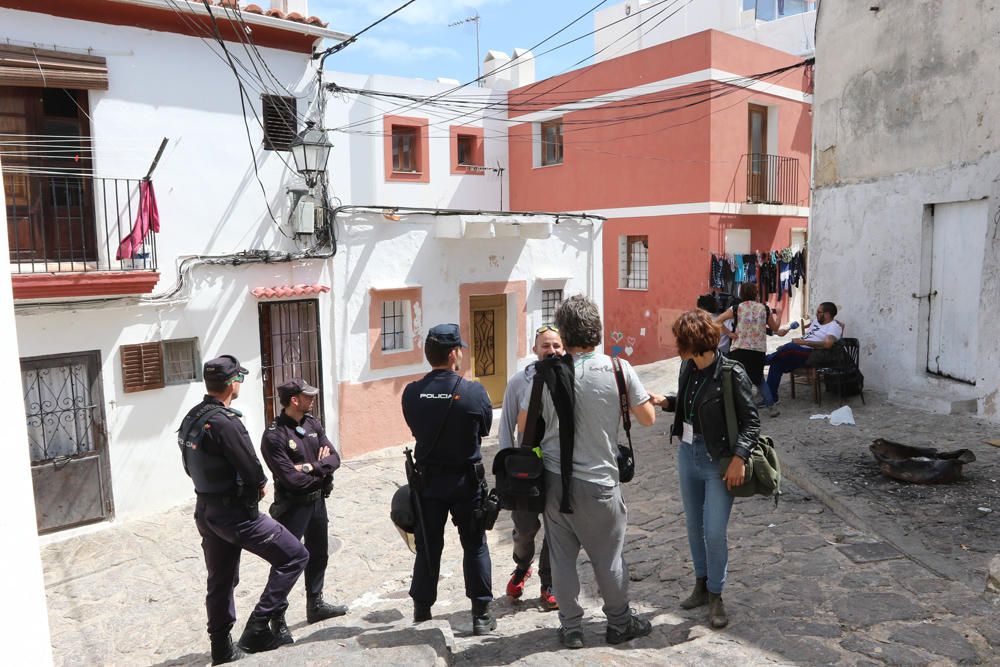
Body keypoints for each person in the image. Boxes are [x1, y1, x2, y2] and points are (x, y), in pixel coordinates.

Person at [518, 295, 662, 649]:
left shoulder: (544, 375)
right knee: (608, 557)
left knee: (562, 557)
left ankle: (571, 628)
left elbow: (525, 427)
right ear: (596, 330)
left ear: (564, 334)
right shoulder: (617, 369)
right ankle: (618, 622)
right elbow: (647, 418)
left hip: (554, 481)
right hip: (600, 481)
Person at [177, 355, 309, 665]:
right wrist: (258, 486)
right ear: (232, 383)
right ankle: (258, 627)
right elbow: (252, 469)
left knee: (220, 579)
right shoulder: (225, 422)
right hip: (234, 514)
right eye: (240, 379)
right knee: (295, 556)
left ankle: (221, 647)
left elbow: (187, 465)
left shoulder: (192, 416)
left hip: (206, 510)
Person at [667, 310, 760, 629]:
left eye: (680, 341)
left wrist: (739, 458)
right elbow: (686, 404)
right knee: (694, 526)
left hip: (718, 459)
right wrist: (665, 402)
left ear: (694, 343)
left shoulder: (732, 372)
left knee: (714, 531)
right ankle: (702, 585)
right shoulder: (687, 368)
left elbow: (752, 421)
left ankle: (717, 595)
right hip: (687, 454)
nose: (677, 346)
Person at [401, 323, 496, 635]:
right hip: (465, 482)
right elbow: (483, 429)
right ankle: (481, 614)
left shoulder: (412, 393)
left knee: (428, 547)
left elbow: (416, 428)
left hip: (428, 483)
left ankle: (422, 609)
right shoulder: (474, 392)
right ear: (454, 353)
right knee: (475, 544)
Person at [259, 379, 348, 643]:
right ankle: (278, 619)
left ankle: (315, 603)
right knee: (286, 561)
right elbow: (291, 480)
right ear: (294, 400)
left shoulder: (312, 424)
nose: (312, 399)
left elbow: (334, 458)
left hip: (317, 501)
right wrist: (319, 467)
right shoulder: (274, 435)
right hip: (292, 507)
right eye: (307, 395)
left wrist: (311, 468)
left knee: (318, 553)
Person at [498, 325, 563, 610]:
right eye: (546, 345)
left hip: (559, 467)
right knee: (524, 528)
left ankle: (549, 582)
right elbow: (506, 425)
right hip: (526, 470)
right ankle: (523, 566)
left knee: (556, 528)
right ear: (535, 349)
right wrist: (504, 468)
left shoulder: (569, 379)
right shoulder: (518, 382)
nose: (552, 351)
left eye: (557, 345)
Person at [715, 283, 782, 417]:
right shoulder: (764, 309)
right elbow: (775, 328)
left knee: (737, 379)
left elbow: (717, 321)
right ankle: (771, 407)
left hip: (739, 348)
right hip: (758, 350)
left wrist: (729, 334)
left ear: (741, 294)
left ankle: (736, 409)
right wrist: (779, 314)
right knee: (759, 379)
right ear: (756, 293)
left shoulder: (736, 308)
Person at [764, 301, 843, 409]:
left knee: (789, 348)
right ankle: (771, 399)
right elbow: (805, 338)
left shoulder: (834, 327)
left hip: (813, 354)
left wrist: (804, 343)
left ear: (828, 314)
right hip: (800, 352)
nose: (816, 314)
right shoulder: (816, 321)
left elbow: (828, 344)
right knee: (777, 363)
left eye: (819, 312)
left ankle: (763, 360)